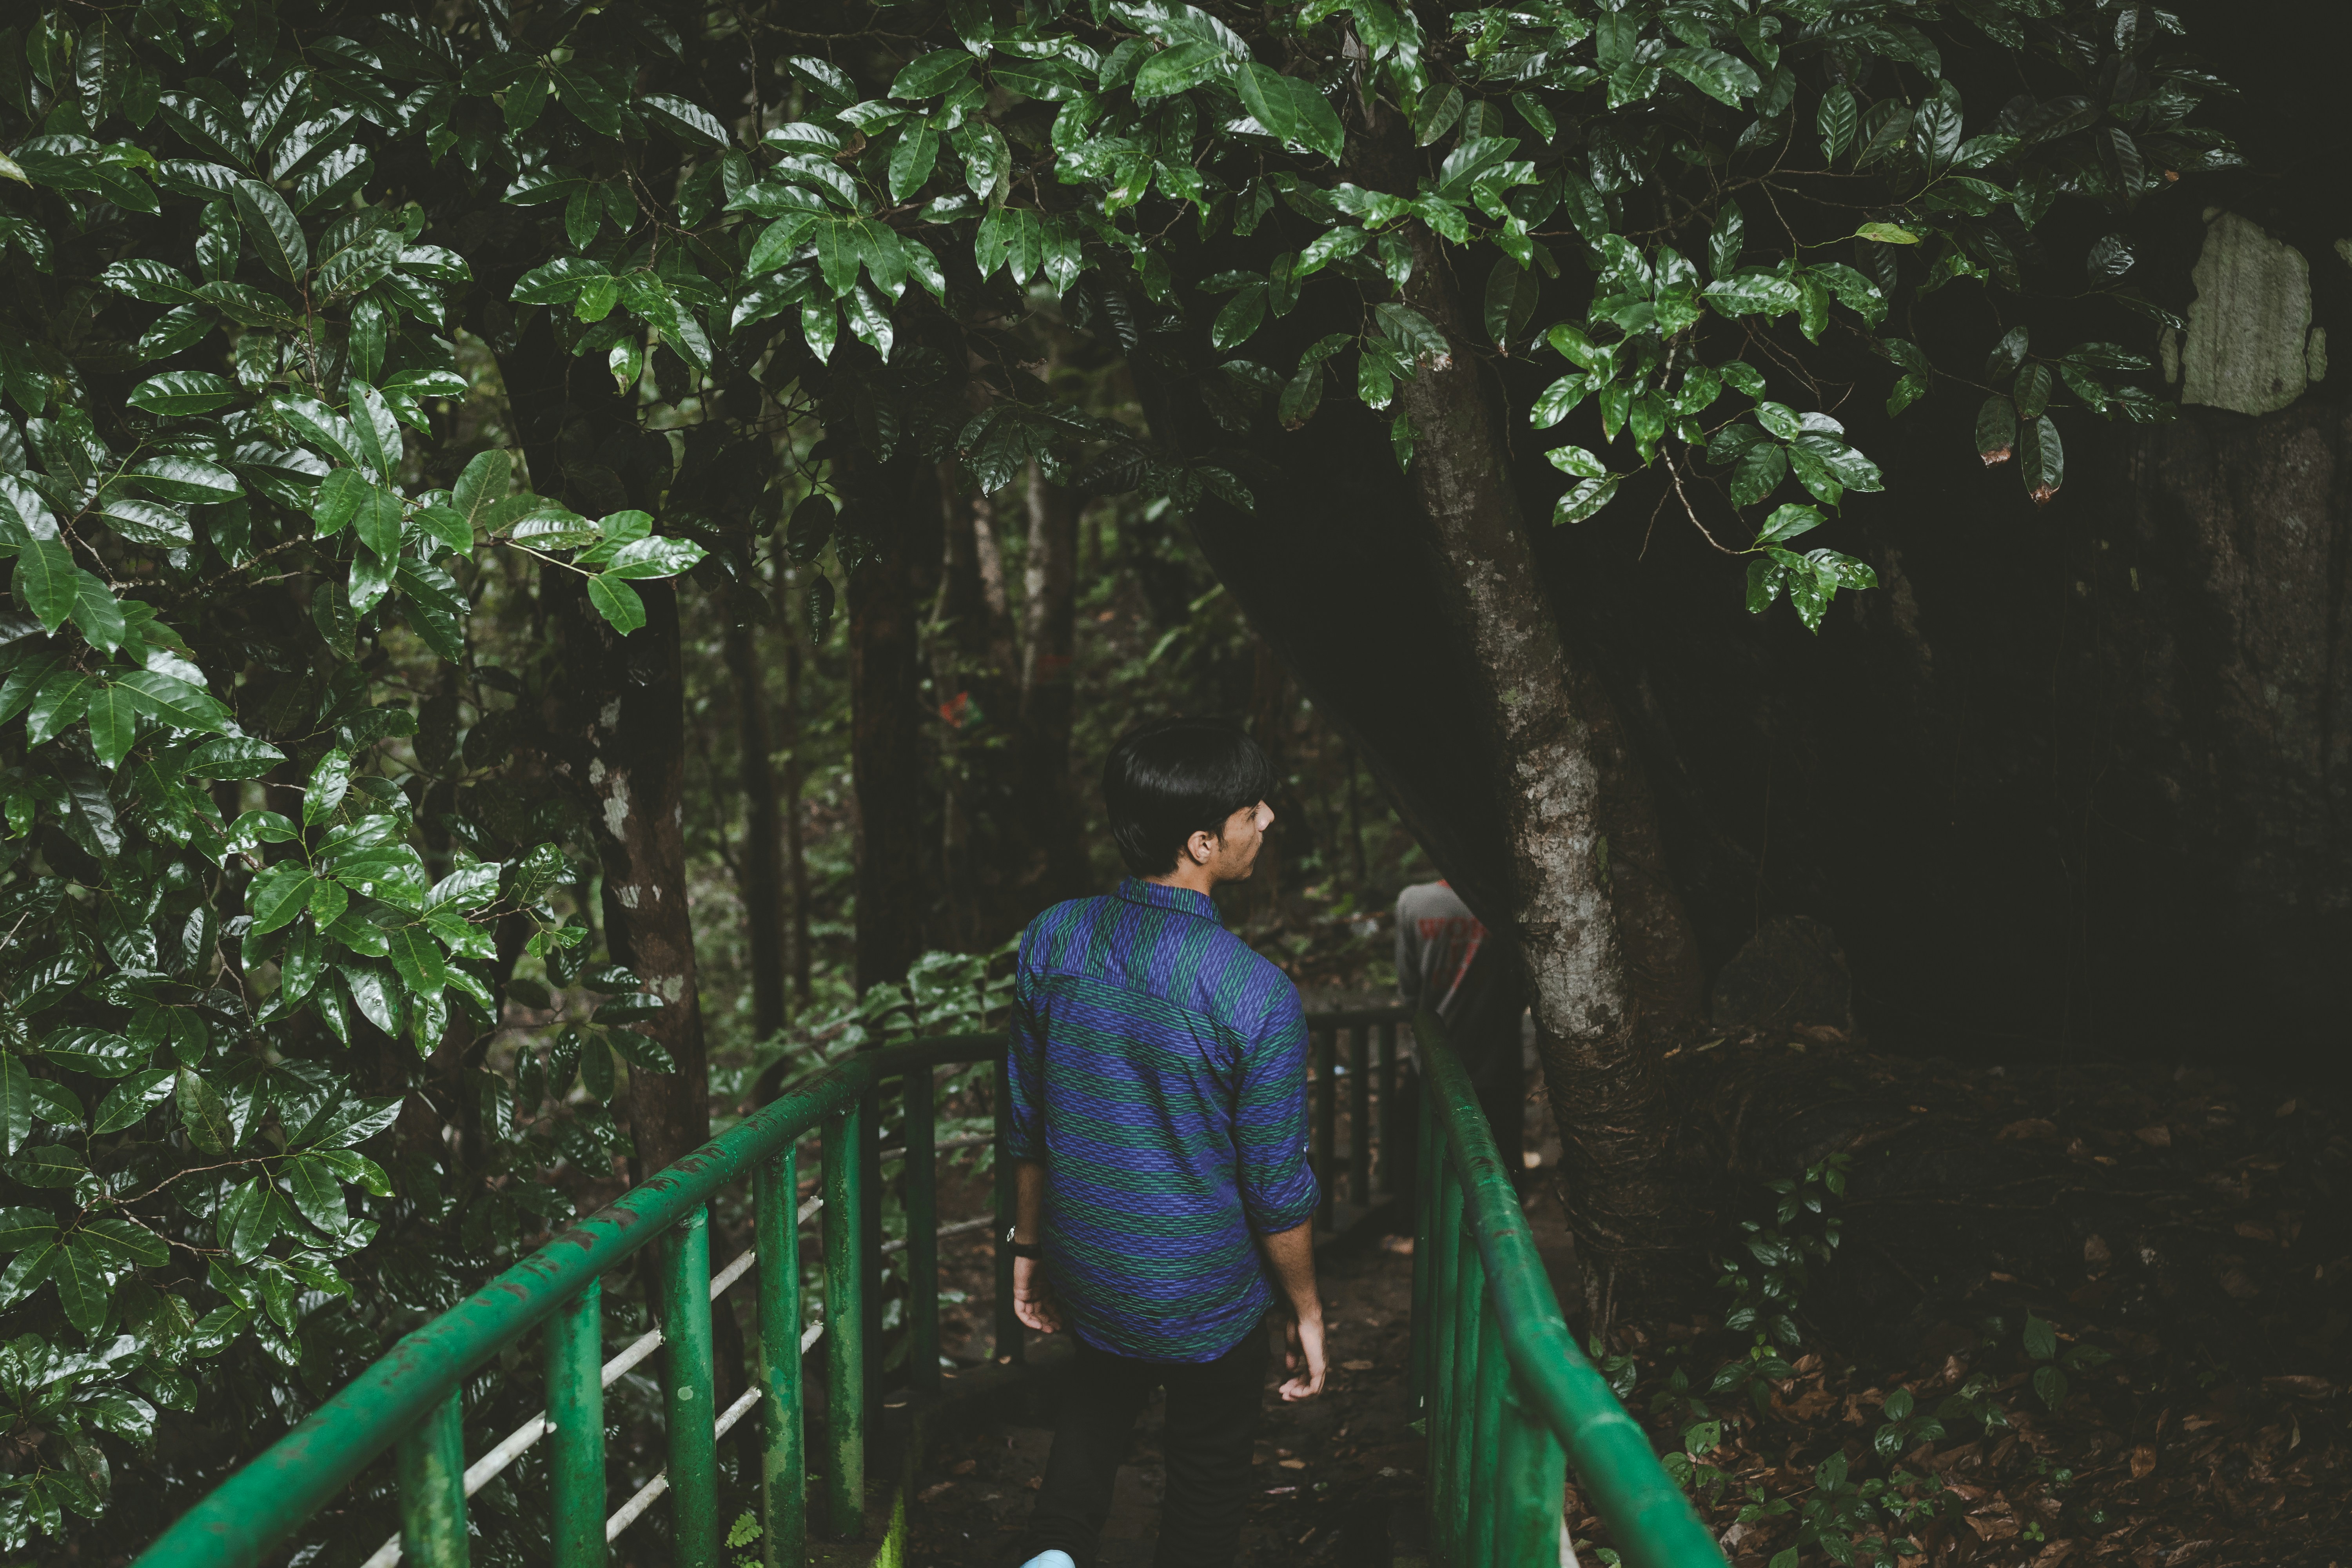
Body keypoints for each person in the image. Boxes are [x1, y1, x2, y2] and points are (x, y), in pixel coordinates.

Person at [1002, 716, 1326, 1568]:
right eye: (1254, 810)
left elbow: (1029, 1117)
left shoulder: (1054, 938)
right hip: (1205, 1288)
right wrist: (1305, 1305)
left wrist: (1029, 1245)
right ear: (1202, 841)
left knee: (1096, 1405)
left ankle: (1054, 1554)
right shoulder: (1254, 993)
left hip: (1096, 1265)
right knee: (1210, 1466)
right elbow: (1274, 1182)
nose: (1267, 823)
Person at [1393, 879, 1529, 1189]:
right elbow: (1523, 986)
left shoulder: (1413, 902)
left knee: (1418, 1155)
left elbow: (1408, 990)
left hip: (1432, 1054)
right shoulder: (1509, 902)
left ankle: (1407, 1230)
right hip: (1497, 1060)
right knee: (1500, 1167)